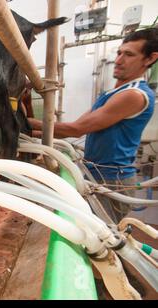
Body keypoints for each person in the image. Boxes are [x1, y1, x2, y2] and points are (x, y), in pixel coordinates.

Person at [29, 28, 158, 223]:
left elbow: (76, 129)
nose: (119, 60)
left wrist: (21, 123)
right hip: (97, 174)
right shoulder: (111, 94)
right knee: (89, 232)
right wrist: (26, 134)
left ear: (150, 59)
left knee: (97, 239)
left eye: (129, 54)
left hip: (112, 181)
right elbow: (67, 131)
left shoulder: (134, 95)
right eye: (119, 53)